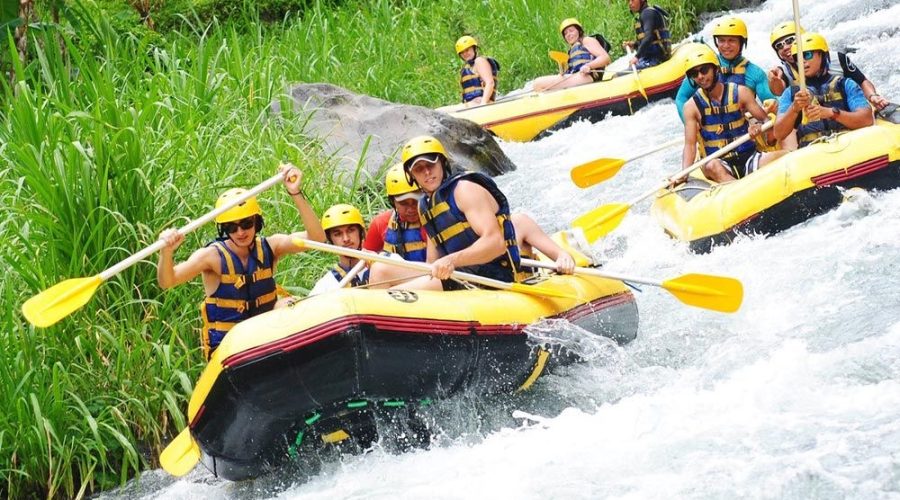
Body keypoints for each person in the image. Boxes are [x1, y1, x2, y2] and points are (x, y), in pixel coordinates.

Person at [157, 164, 326, 359]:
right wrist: (166, 252)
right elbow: (167, 281)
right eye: (231, 227)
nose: (240, 232)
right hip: (230, 349)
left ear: (257, 222)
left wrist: (295, 192)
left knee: (289, 305)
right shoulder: (211, 257)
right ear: (223, 230)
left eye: (246, 224)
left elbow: (317, 238)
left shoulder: (271, 247)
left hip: (265, 339)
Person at [366, 135, 522, 291]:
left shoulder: (465, 190)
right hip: (458, 274)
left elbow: (496, 243)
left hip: (494, 275)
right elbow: (431, 262)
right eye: (419, 168)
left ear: (442, 163)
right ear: (411, 176)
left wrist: (451, 260)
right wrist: (442, 266)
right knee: (380, 269)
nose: (427, 172)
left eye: (431, 164)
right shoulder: (424, 206)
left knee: (397, 292)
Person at [366, 165, 576, 276]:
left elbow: (561, 255)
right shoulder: (441, 228)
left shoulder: (519, 222)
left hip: (513, 283)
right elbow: (432, 266)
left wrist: (564, 258)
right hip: (472, 285)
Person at [680, 45, 788, 183]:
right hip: (718, 160)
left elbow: (765, 120)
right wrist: (684, 173)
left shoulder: (741, 92)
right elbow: (690, 145)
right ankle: (740, 193)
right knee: (713, 165)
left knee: (784, 156)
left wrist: (757, 127)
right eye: (694, 74)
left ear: (715, 69)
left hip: (747, 155)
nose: (700, 76)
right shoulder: (691, 107)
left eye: (704, 70)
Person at [774, 32, 875, 148]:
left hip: (847, 145)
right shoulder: (791, 94)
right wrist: (794, 109)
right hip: (812, 152)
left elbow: (867, 120)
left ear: (822, 55)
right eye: (797, 57)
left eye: (807, 55)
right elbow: (779, 134)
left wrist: (831, 113)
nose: (802, 61)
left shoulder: (846, 84)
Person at [766, 21, 889, 111]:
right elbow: (778, 90)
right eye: (779, 46)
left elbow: (862, 81)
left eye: (789, 40)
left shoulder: (837, 58)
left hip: (848, 108)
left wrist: (873, 96)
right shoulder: (784, 71)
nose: (785, 47)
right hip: (813, 119)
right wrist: (774, 79)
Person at [675, 17, 776, 122]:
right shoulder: (703, 66)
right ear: (716, 43)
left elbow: (772, 102)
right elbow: (681, 98)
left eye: (731, 40)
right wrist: (690, 122)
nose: (726, 46)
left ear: (741, 42)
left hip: (744, 128)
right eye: (722, 41)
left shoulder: (754, 73)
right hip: (711, 130)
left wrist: (771, 109)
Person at [363, 163, 428, 261]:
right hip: (396, 275)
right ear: (393, 202)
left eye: (415, 201)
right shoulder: (380, 223)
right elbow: (366, 255)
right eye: (403, 203)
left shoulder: (434, 220)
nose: (411, 209)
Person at [533, 18, 611, 92]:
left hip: (588, 76)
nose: (568, 34)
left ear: (579, 31)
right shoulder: (571, 51)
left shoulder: (587, 40)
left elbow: (605, 58)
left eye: (571, 31)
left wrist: (589, 66)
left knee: (538, 83)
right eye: (565, 33)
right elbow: (570, 71)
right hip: (577, 77)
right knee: (540, 86)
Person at [309, 203, 370, 295]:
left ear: (361, 233)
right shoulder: (324, 286)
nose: (346, 239)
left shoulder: (380, 268)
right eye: (337, 234)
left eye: (351, 230)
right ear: (331, 240)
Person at [623, 0, 672, 69]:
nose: (630, 3)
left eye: (633, 0)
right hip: (653, 57)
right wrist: (634, 44)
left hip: (656, 59)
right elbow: (653, 40)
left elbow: (649, 37)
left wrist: (637, 57)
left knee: (617, 76)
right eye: (628, 1)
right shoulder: (646, 13)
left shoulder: (647, 13)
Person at [456, 35, 500, 108]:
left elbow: (490, 83)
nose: (465, 54)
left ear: (474, 49)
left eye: (467, 50)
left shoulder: (479, 61)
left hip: (481, 104)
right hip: (472, 104)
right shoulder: (469, 67)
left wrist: (483, 104)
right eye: (462, 52)